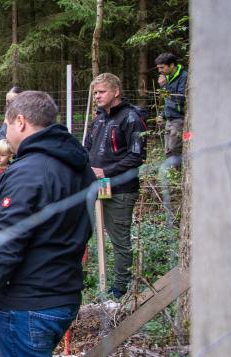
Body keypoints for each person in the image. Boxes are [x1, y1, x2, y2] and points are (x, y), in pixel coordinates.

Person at [0, 91, 94, 357]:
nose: (5, 133)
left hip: (26, 304)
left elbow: (5, 246)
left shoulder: (26, 173)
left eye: (7, 125)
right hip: (64, 296)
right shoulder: (81, 167)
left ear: (20, 122)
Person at [83, 73, 147, 299]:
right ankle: (85, 276)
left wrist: (106, 171)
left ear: (116, 92)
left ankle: (120, 288)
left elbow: (137, 156)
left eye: (101, 92)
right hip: (97, 185)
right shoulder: (98, 119)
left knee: (119, 238)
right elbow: (87, 149)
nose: (97, 96)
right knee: (83, 228)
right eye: (95, 93)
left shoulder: (131, 118)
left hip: (121, 188)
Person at [155, 52, 186, 167]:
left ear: (172, 65)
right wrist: (162, 115)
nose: (160, 71)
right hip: (169, 118)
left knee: (174, 149)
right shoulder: (167, 77)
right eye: (158, 68)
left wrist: (165, 86)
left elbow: (181, 99)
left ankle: (177, 173)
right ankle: (172, 173)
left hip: (179, 118)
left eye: (162, 67)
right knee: (168, 149)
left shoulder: (183, 76)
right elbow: (168, 100)